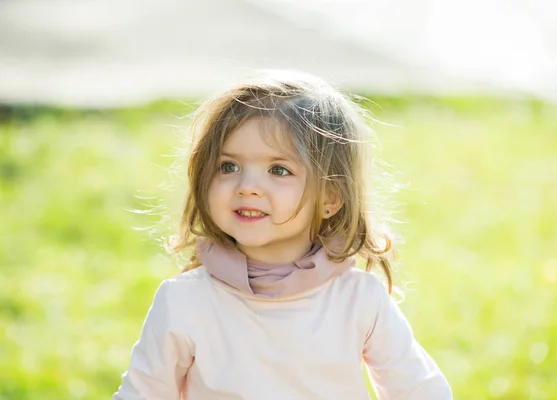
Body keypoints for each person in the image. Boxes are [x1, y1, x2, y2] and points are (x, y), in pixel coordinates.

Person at [113, 70, 452, 399]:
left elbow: (419, 390)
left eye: (279, 170)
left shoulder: (358, 299)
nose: (248, 187)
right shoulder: (185, 301)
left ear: (331, 198)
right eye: (228, 166)